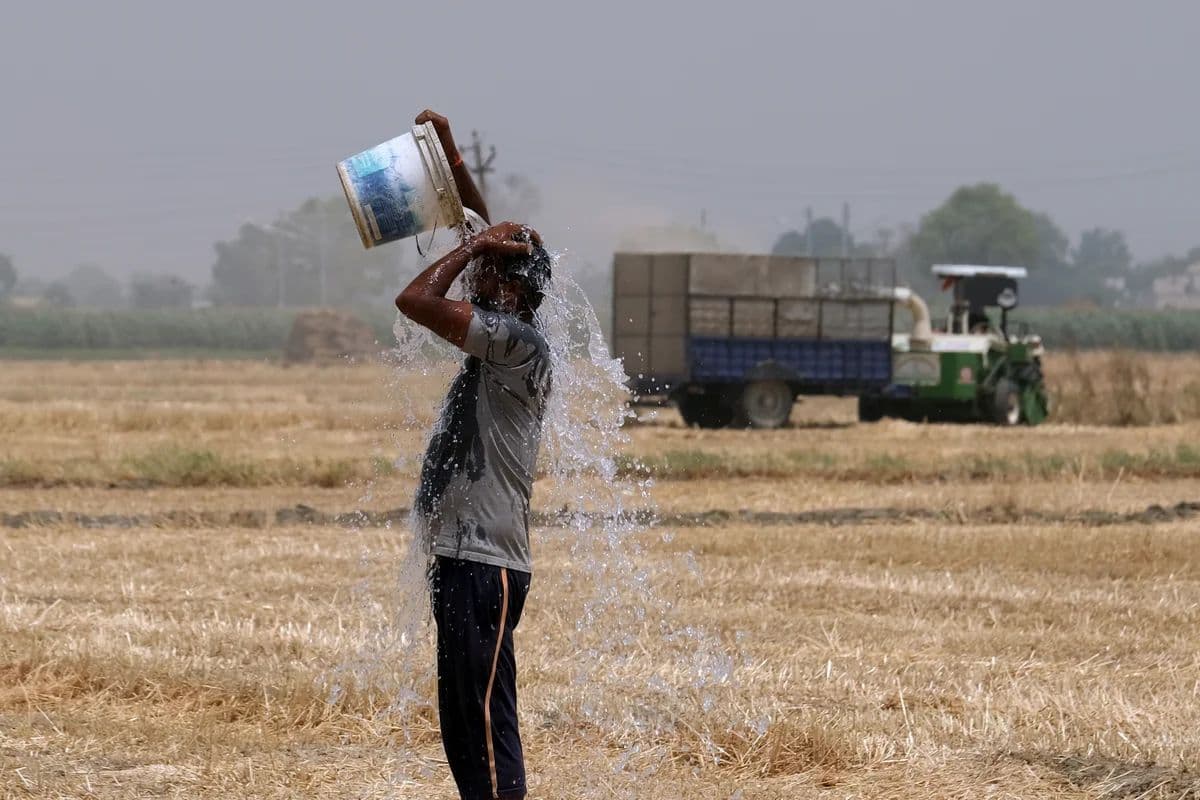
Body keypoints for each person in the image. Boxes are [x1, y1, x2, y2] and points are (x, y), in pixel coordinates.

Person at [395, 109, 552, 800]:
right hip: (464, 559)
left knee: (486, 729)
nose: (475, 276)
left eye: (488, 271)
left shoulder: (518, 344)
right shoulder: (509, 329)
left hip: (486, 567)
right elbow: (475, 231)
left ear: (511, 293)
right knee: (466, 730)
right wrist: (452, 156)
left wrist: (474, 246)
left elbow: (414, 299)